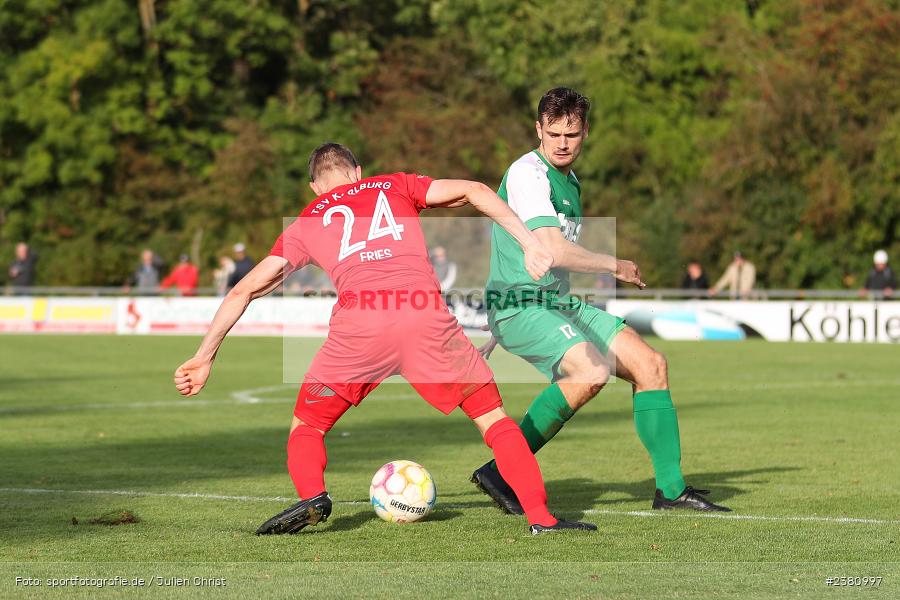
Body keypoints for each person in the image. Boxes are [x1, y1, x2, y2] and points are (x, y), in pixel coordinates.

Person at [173, 142, 596, 536]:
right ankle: (542, 519)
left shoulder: (308, 218)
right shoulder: (393, 185)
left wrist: (203, 356)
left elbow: (244, 289)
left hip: (360, 330)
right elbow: (474, 190)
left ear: (315, 186)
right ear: (357, 172)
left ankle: (312, 497)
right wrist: (529, 244)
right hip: (424, 319)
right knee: (494, 420)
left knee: (308, 425)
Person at [472, 87, 730, 514]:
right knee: (590, 371)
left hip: (554, 303)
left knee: (651, 366)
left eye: (570, 134)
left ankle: (671, 490)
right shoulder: (527, 173)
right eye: (552, 133)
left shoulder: (571, 183)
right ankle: (503, 472)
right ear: (538, 129)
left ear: (585, 132)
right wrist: (614, 264)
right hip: (521, 305)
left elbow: (546, 260)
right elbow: (552, 250)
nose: (561, 143)